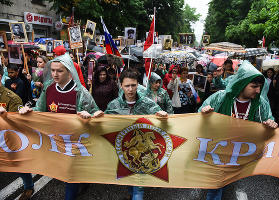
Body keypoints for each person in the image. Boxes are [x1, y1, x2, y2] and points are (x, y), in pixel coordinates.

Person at [18, 53, 104, 200]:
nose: (55, 74)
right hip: (55, 141)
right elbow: (40, 110)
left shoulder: (80, 92)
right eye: (52, 70)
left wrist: (92, 114)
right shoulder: (48, 89)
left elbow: (96, 111)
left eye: (59, 70)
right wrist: (28, 111)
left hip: (75, 142)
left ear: (69, 71)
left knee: (70, 176)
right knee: (61, 172)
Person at [199, 61, 278, 200]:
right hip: (220, 152)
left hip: (242, 154)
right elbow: (199, 114)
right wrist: (204, 113)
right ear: (242, 83)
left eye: (259, 87)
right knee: (216, 188)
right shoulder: (221, 97)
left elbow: (270, 119)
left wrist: (271, 123)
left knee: (234, 183)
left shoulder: (261, 104)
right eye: (254, 86)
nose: (258, 91)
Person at [105, 69, 167, 200]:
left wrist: (163, 115)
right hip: (123, 152)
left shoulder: (148, 104)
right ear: (121, 85)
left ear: (138, 85)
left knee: (138, 188)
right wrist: (95, 116)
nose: (130, 89)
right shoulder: (113, 105)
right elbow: (104, 124)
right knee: (128, 180)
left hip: (143, 152)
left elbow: (164, 121)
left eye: (133, 85)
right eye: (127, 86)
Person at [0, 65, 35, 200]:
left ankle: (28, 187)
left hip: (7, 139)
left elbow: (16, 125)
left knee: (17, 164)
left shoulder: (12, 98)